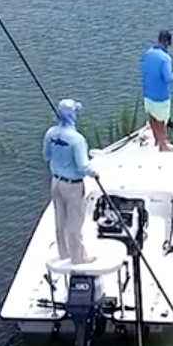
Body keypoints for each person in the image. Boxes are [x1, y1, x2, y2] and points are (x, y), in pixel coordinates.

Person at [43, 98, 99, 264]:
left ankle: (64, 253)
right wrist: (94, 172)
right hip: (73, 186)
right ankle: (78, 258)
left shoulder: (50, 134)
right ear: (72, 115)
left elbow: (46, 156)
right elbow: (83, 167)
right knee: (75, 223)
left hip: (56, 182)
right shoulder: (77, 139)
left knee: (60, 220)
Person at [139, 30, 173, 151]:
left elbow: (143, 68)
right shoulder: (165, 58)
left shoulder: (148, 53)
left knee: (152, 117)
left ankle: (157, 140)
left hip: (147, 93)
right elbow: (168, 78)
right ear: (167, 42)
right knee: (162, 120)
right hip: (160, 96)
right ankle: (163, 146)